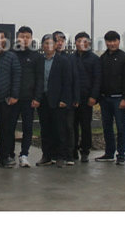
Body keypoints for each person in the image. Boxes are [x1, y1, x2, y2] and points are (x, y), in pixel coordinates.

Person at [96, 30, 125, 165]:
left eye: (114, 41)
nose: (111, 44)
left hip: (119, 99)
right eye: (109, 41)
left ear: (118, 41)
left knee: (121, 127)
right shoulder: (102, 58)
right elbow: (99, 79)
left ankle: (121, 154)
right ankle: (109, 153)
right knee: (107, 127)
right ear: (106, 42)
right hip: (105, 99)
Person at [10, 26, 44, 168]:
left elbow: (40, 79)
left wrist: (37, 97)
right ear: (17, 37)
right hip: (12, 99)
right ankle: (9, 154)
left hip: (29, 99)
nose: (24, 39)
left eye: (27, 37)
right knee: (9, 127)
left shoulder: (37, 56)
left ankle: (24, 155)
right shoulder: (10, 54)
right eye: (22, 36)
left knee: (28, 128)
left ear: (31, 38)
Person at [36, 34, 72, 168]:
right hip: (43, 100)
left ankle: (61, 156)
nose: (48, 46)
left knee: (60, 129)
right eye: (46, 43)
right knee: (45, 129)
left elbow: (67, 82)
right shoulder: (40, 60)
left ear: (56, 45)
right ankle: (46, 156)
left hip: (58, 100)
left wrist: (64, 99)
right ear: (42, 45)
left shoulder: (63, 61)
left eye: (51, 43)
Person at [0, 30, 21, 168]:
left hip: (6, 99)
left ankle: (5, 157)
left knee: (6, 130)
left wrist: (14, 95)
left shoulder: (11, 57)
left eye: (2, 38)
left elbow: (17, 76)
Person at [69, 32, 101, 163]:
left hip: (87, 98)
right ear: (75, 43)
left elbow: (97, 79)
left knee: (86, 126)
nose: (82, 43)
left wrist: (93, 96)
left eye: (85, 41)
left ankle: (85, 150)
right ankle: (73, 150)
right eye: (79, 41)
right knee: (72, 125)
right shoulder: (71, 58)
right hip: (73, 98)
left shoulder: (94, 59)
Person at [52, 31, 80, 165]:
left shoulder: (70, 58)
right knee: (56, 128)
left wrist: (75, 98)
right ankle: (57, 154)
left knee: (69, 127)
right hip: (53, 100)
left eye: (62, 41)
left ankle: (70, 155)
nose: (59, 43)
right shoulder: (49, 57)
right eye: (57, 40)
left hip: (67, 100)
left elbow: (74, 79)